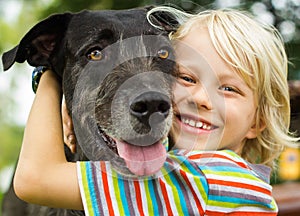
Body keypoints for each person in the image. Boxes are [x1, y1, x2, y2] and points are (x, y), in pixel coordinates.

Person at [13, 6, 299, 215]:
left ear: (257, 122)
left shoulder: (206, 182)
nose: (201, 98)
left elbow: (34, 179)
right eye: (187, 78)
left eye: (229, 89)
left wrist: (49, 76)